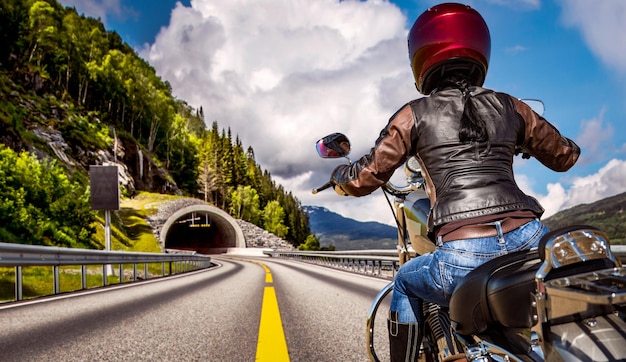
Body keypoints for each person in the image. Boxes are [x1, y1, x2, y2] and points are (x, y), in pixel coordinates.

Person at [328, 3, 580, 361]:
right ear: (479, 47)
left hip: (463, 254)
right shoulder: (510, 106)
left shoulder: (413, 114)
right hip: (530, 239)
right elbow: (566, 155)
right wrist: (520, 140)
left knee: (404, 281)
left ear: (421, 54)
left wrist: (340, 177)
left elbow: (365, 176)